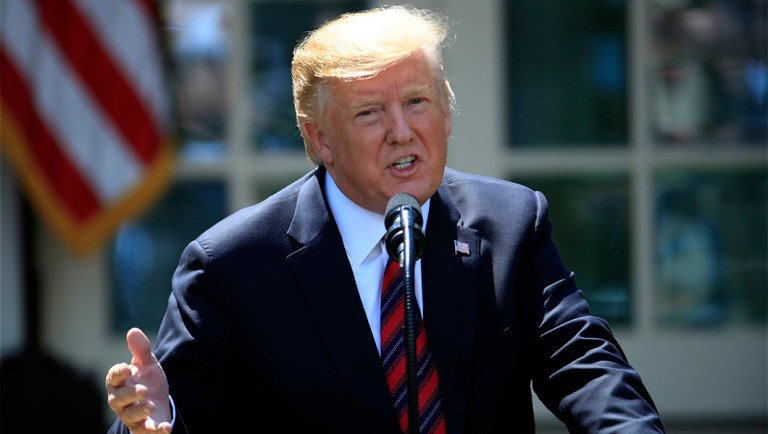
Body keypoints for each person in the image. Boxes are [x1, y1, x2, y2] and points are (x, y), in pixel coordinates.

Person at [105, 5, 665, 433]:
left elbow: (589, 369)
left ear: (446, 111)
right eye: (370, 113)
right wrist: (161, 418)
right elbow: (163, 416)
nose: (402, 131)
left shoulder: (511, 223)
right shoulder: (232, 266)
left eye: (417, 102)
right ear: (320, 138)